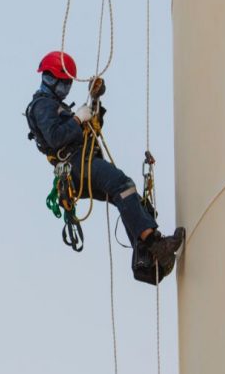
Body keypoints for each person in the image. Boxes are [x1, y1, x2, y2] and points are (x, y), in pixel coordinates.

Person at [25, 50, 185, 282]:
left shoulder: (55, 106)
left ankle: (147, 261)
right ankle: (154, 245)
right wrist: (78, 119)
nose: (62, 86)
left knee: (125, 195)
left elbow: (90, 130)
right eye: (59, 81)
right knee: (121, 185)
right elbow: (56, 137)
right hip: (74, 163)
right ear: (51, 79)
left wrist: (95, 99)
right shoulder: (41, 106)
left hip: (80, 162)